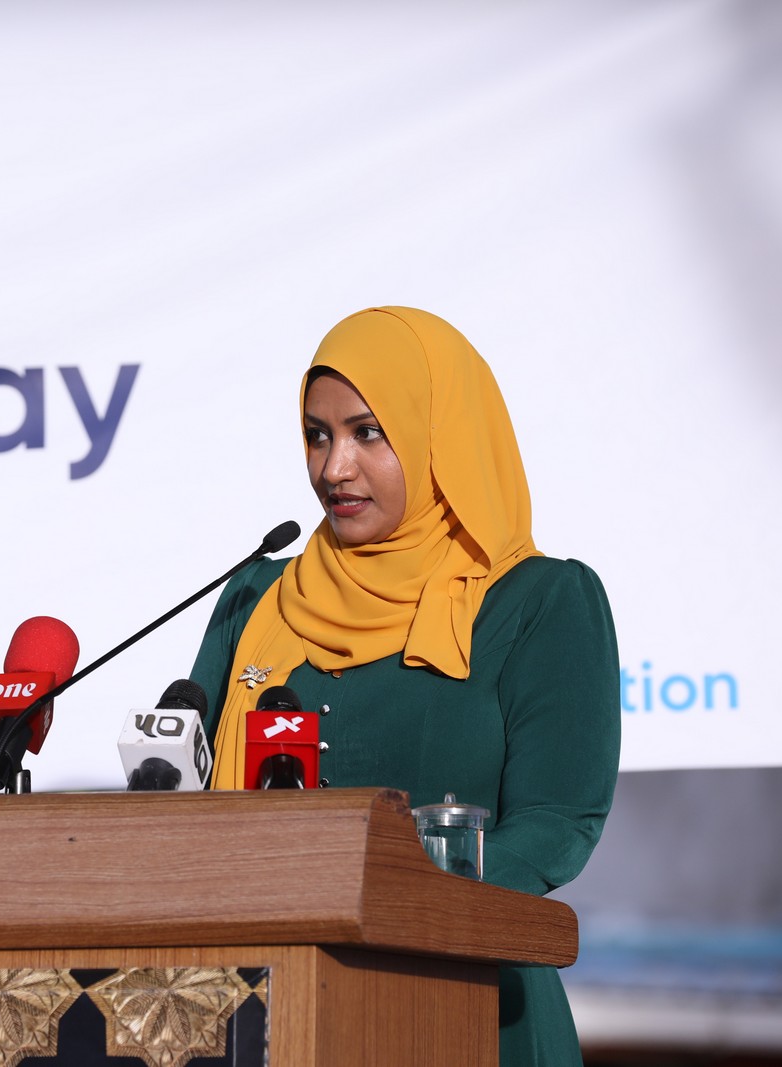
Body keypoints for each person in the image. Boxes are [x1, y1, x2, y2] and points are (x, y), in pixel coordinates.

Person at [189, 306, 619, 1066]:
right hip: (265, 1013)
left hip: (465, 1007)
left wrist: (397, 894)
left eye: (368, 433)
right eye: (317, 435)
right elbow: (190, 808)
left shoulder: (537, 602)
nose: (334, 468)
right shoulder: (255, 597)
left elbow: (558, 822)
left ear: (440, 436)